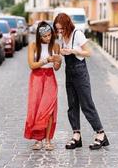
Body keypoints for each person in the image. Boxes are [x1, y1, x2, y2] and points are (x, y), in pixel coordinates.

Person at [53, 13, 109, 150]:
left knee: (86, 104)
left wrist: (72, 51)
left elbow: (88, 52)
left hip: (80, 72)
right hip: (69, 73)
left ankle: (101, 134)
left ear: (67, 25)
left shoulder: (77, 34)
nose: (59, 31)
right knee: (72, 105)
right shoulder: (62, 36)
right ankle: (76, 135)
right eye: (58, 29)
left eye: (61, 28)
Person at [24, 21, 62, 151]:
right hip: (36, 78)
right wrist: (46, 60)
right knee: (36, 108)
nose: (48, 38)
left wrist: (59, 61)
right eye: (45, 36)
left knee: (49, 109)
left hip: (50, 78)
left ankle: (47, 139)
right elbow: (31, 65)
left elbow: (56, 68)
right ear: (39, 36)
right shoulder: (33, 46)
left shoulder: (55, 46)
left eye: (49, 35)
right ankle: (38, 139)